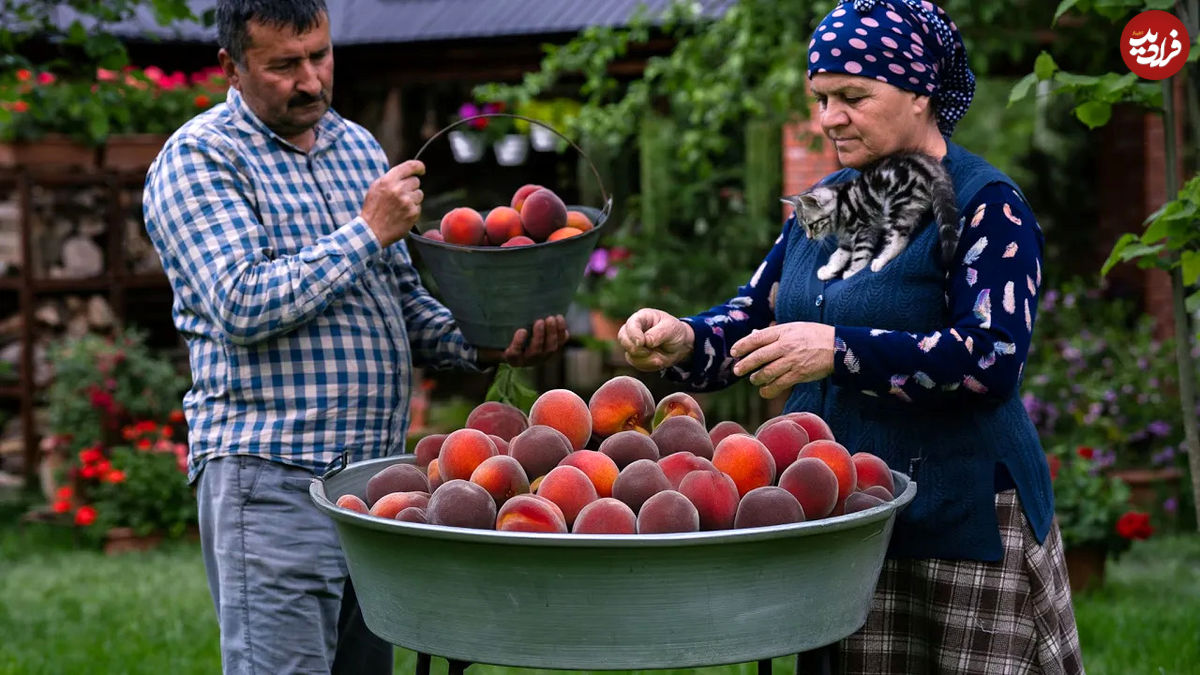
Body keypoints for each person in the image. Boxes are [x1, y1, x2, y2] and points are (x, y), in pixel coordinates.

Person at [618, 1, 1083, 672]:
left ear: (920, 90)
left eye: (852, 97)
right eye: (822, 97)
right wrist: (685, 339)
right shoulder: (826, 204)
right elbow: (758, 313)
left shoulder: (986, 205)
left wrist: (838, 349)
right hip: (839, 520)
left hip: (960, 520)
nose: (829, 117)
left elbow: (992, 356)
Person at [142, 2, 567, 673]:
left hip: (373, 487)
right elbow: (240, 302)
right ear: (231, 66)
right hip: (271, 479)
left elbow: (400, 300)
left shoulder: (356, 149)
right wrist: (365, 230)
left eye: (319, 55)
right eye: (284, 65)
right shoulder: (199, 159)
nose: (310, 80)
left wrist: (486, 343)